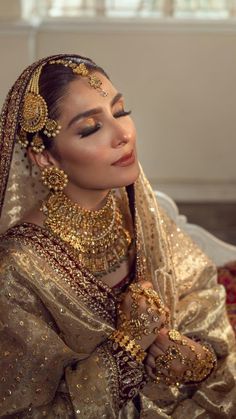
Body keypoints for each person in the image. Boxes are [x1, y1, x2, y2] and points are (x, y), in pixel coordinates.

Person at [0, 53, 235, 419]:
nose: (123, 134)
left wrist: (194, 355)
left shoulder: (132, 206)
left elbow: (200, 288)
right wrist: (127, 349)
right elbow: (24, 408)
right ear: (45, 158)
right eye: (91, 128)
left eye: (121, 111)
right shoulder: (19, 266)